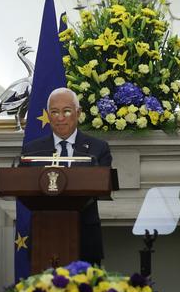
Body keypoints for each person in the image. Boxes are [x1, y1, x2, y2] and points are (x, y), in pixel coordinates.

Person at [21, 87, 112, 265]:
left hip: (85, 238)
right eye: (54, 112)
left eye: (67, 111)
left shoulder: (98, 149)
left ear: (78, 113)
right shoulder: (32, 150)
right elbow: (24, 186)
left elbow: (101, 185)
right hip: (43, 236)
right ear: (48, 115)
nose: (60, 118)